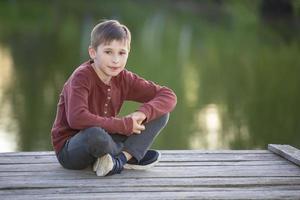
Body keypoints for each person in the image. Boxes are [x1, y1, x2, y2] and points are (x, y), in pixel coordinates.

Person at [51, 19, 177, 176]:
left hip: (106, 136)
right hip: (71, 148)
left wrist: (142, 113)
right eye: (108, 52)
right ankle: (131, 155)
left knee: (160, 113)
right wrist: (124, 125)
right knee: (96, 135)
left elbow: (168, 95)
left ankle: (119, 160)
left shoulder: (124, 78)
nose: (116, 60)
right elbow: (77, 118)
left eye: (122, 53)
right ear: (93, 52)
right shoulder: (81, 77)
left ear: (128, 53)